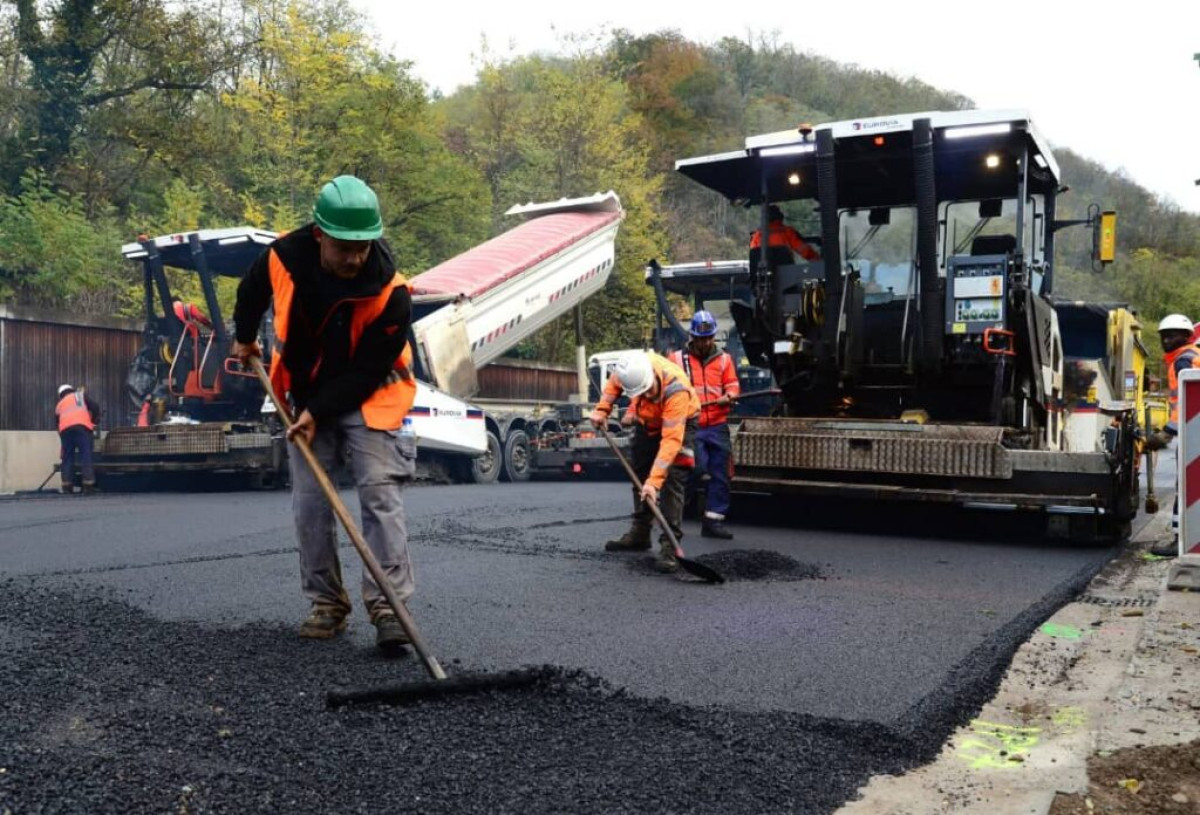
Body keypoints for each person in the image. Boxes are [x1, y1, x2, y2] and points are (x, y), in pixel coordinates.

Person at [231, 175, 417, 654]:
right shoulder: (281, 257)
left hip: (370, 394)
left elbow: (366, 370)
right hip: (306, 392)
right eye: (343, 248)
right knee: (311, 502)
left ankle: (389, 608)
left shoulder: (392, 293)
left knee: (379, 494)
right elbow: (250, 293)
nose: (354, 258)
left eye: (362, 247)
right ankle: (327, 603)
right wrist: (245, 337)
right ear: (319, 235)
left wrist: (318, 410)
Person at [591, 351, 700, 573]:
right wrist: (602, 410)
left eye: (649, 390)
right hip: (647, 421)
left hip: (679, 425)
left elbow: (670, 442)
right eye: (643, 393)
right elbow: (613, 385)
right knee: (639, 474)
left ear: (652, 377)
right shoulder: (629, 370)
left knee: (673, 480)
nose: (648, 395)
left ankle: (670, 546)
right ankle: (640, 534)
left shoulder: (676, 390)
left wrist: (654, 483)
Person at [669, 310, 741, 539]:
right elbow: (668, 388)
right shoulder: (677, 360)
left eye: (708, 338)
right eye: (701, 338)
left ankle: (713, 521)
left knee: (721, 474)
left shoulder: (724, 359)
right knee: (696, 468)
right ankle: (673, 509)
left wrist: (729, 395)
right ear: (692, 337)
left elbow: (732, 384)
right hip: (692, 426)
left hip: (717, 425)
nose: (705, 342)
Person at [1144, 313, 1200, 558]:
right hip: (1192, 430)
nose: (1167, 340)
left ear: (1187, 336)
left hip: (1193, 433)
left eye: (1172, 335)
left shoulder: (1183, 361)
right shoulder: (1192, 356)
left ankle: (1180, 541)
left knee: (1186, 485)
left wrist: (1166, 434)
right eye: (1164, 336)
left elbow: (1188, 400)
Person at [55, 384, 100, 494]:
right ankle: (88, 485)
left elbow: (57, 424)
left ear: (61, 395)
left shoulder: (59, 405)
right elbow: (95, 407)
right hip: (82, 428)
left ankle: (67, 485)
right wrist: (94, 420)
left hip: (65, 431)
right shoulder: (79, 396)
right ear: (72, 390)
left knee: (67, 457)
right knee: (85, 454)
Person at [749, 204, 820, 262]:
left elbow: (754, 254)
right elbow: (804, 250)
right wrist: (818, 261)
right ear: (780, 216)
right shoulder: (787, 232)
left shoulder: (757, 235)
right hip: (787, 270)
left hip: (764, 273)